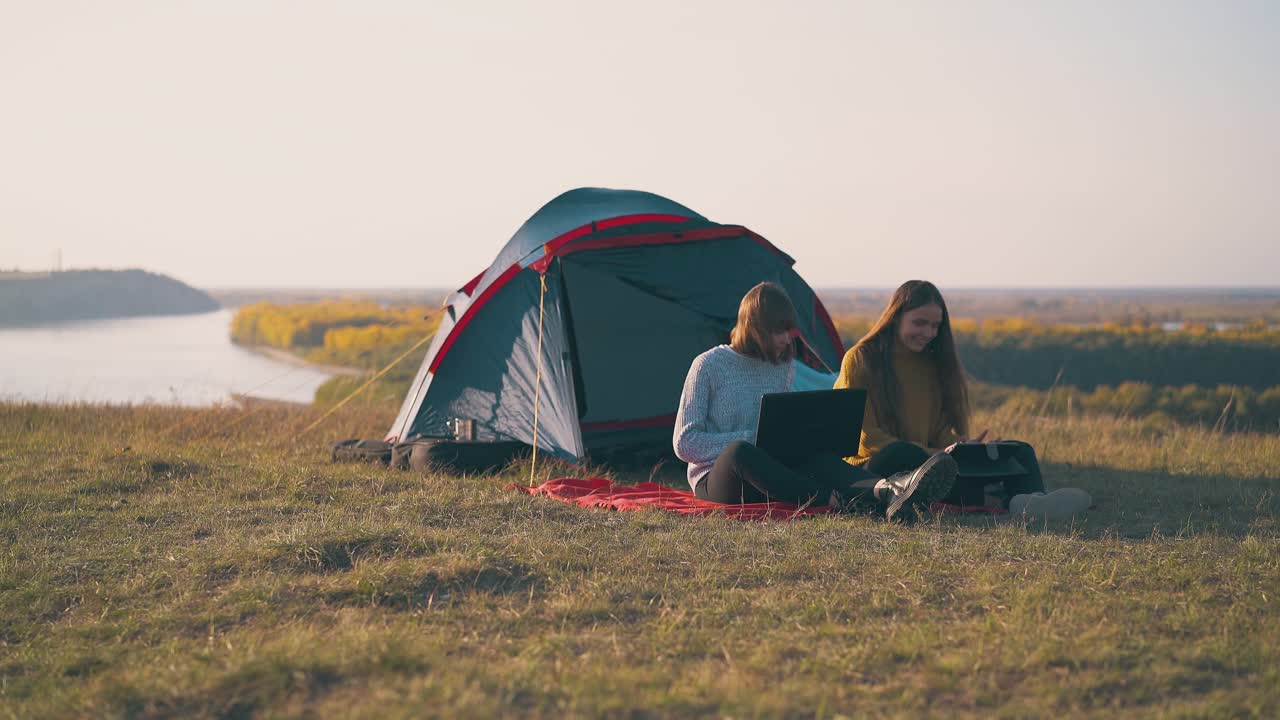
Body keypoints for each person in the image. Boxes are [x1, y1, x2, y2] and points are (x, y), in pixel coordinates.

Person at [673, 281, 957, 520]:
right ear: (754, 327)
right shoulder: (709, 365)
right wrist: (755, 438)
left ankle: (885, 490)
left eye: (790, 331)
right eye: (780, 331)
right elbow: (685, 443)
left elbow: (778, 426)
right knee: (740, 452)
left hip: (772, 474)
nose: (788, 339)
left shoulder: (782, 366)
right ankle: (835, 499)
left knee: (815, 456)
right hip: (718, 477)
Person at [833, 280, 1046, 507]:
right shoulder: (859, 359)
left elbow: (938, 430)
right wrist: (936, 454)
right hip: (873, 466)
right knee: (902, 453)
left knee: (1018, 451)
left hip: (928, 460)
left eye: (935, 326)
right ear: (895, 318)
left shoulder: (930, 364)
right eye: (920, 323)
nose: (928, 333)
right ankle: (992, 497)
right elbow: (866, 438)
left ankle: (1035, 501)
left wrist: (962, 448)